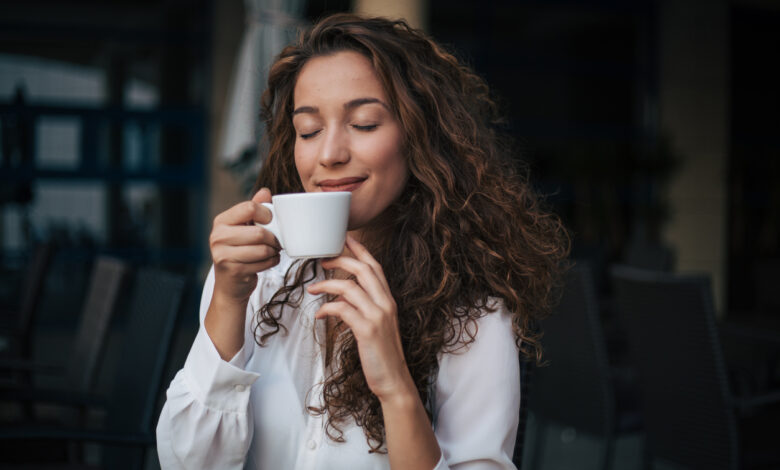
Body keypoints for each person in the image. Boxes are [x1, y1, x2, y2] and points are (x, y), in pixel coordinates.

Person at [156, 13, 568, 470]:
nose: (329, 154)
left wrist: (395, 384)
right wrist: (228, 303)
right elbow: (188, 463)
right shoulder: (258, 278)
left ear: (419, 137)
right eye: (308, 130)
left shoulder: (471, 312)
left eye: (365, 123)